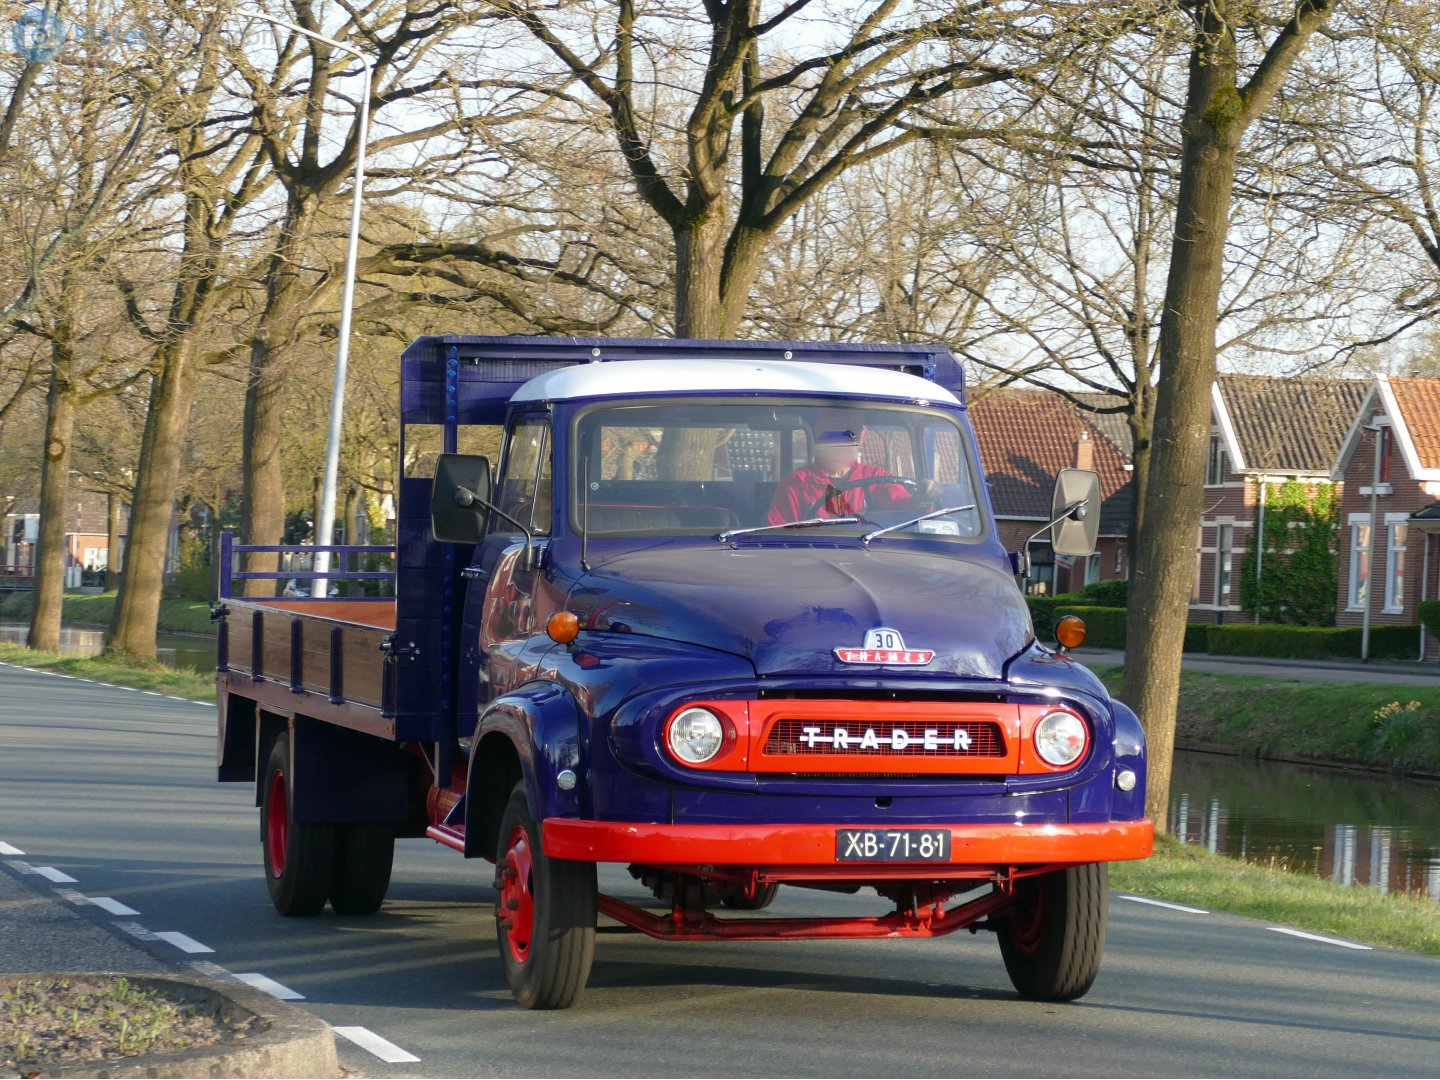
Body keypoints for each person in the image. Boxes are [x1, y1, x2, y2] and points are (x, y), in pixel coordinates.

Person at [767, 422, 938, 525]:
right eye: (832, 435)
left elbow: (908, 511)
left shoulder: (877, 477)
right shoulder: (797, 482)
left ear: (861, 438)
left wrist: (924, 497)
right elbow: (779, 532)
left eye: (848, 435)